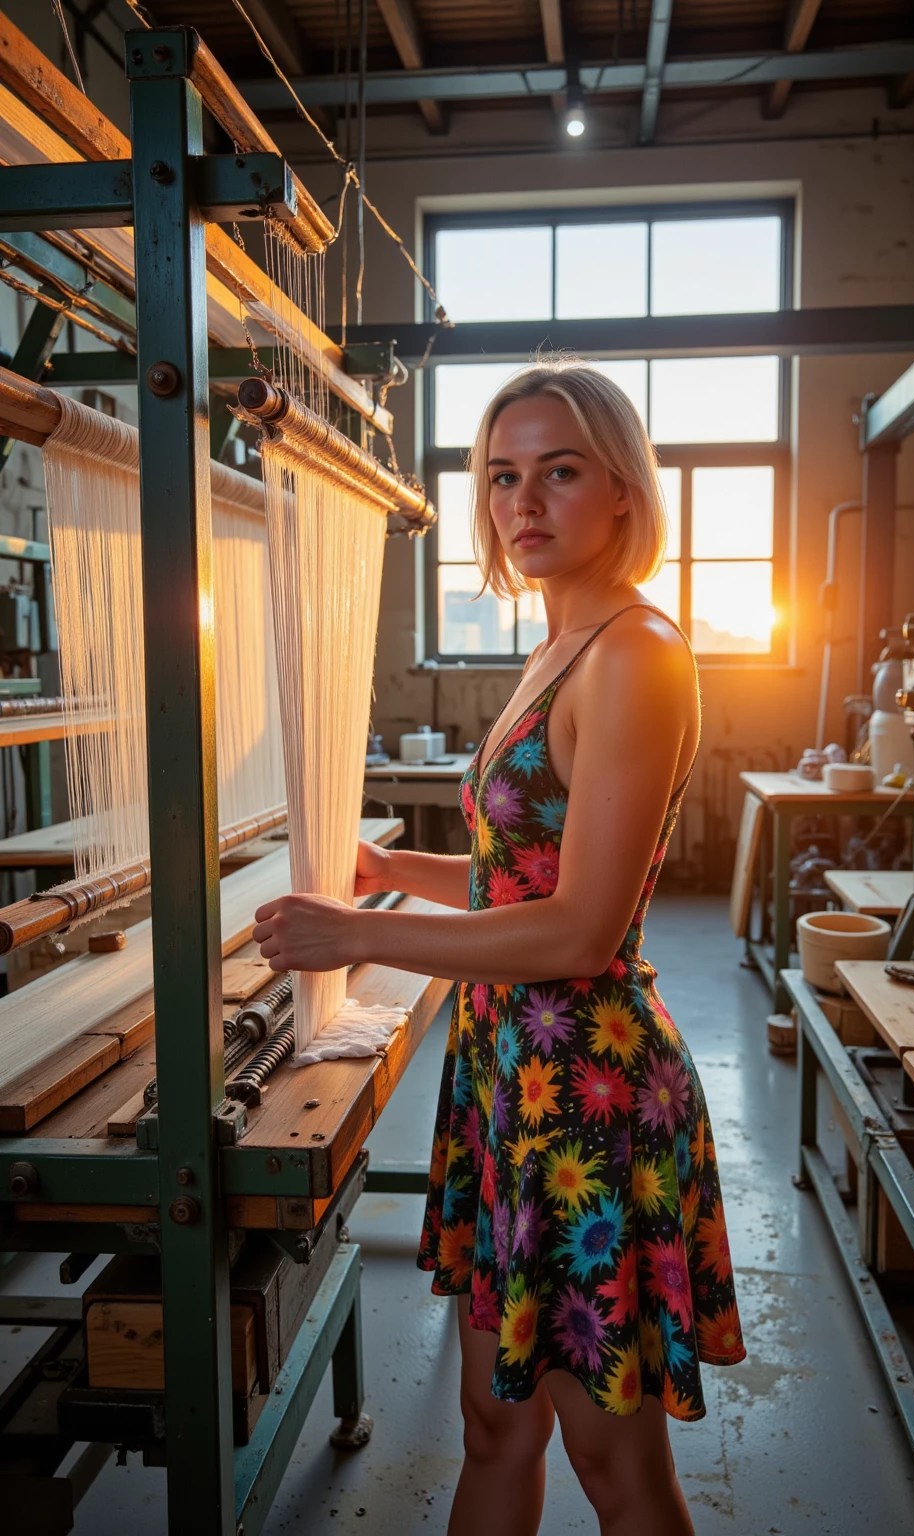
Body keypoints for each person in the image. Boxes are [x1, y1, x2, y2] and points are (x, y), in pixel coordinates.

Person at [253, 361, 746, 1536]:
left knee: (614, 1469)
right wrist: (386, 875)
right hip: (509, 1079)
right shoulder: (557, 648)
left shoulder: (635, 654)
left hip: (584, 1095)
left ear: (623, 489)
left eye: (560, 472)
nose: (524, 502)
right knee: (494, 1422)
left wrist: (362, 935)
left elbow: (582, 926)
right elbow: (517, 873)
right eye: (502, 476)